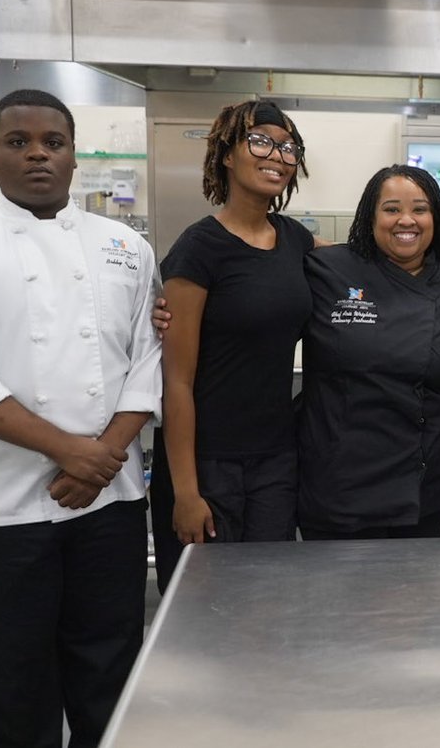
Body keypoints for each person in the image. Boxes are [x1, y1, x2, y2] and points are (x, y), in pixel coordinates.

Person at [0, 89, 161, 747]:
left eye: (53, 142)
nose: (37, 155)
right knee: (14, 680)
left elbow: (146, 362)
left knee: (109, 671)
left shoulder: (125, 246)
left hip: (110, 501)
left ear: (74, 154)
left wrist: (100, 457)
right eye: (18, 142)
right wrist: (74, 451)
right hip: (3, 510)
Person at [297, 165, 440, 539]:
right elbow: (269, 253)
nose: (406, 220)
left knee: (414, 579)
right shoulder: (327, 270)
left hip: (424, 492)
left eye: (420, 209)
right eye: (391, 209)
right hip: (338, 486)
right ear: (370, 217)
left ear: (436, 218)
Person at [153, 100, 313, 586]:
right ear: (226, 154)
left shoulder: (294, 239)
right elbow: (176, 382)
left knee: (267, 597)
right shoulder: (199, 249)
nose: (277, 155)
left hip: (275, 460)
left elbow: (365, 262)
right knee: (205, 604)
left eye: (287, 147)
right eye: (260, 141)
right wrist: (186, 492)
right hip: (208, 463)